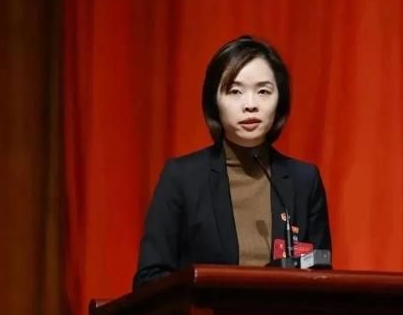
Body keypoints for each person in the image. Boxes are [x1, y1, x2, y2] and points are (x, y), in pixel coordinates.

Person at [133, 35, 331, 290]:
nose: (250, 105)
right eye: (235, 91)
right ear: (214, 101)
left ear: (280, 100)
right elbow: (150, 278)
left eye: (263, 91)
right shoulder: (182, 178)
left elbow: (322, 276)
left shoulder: (304, 181)